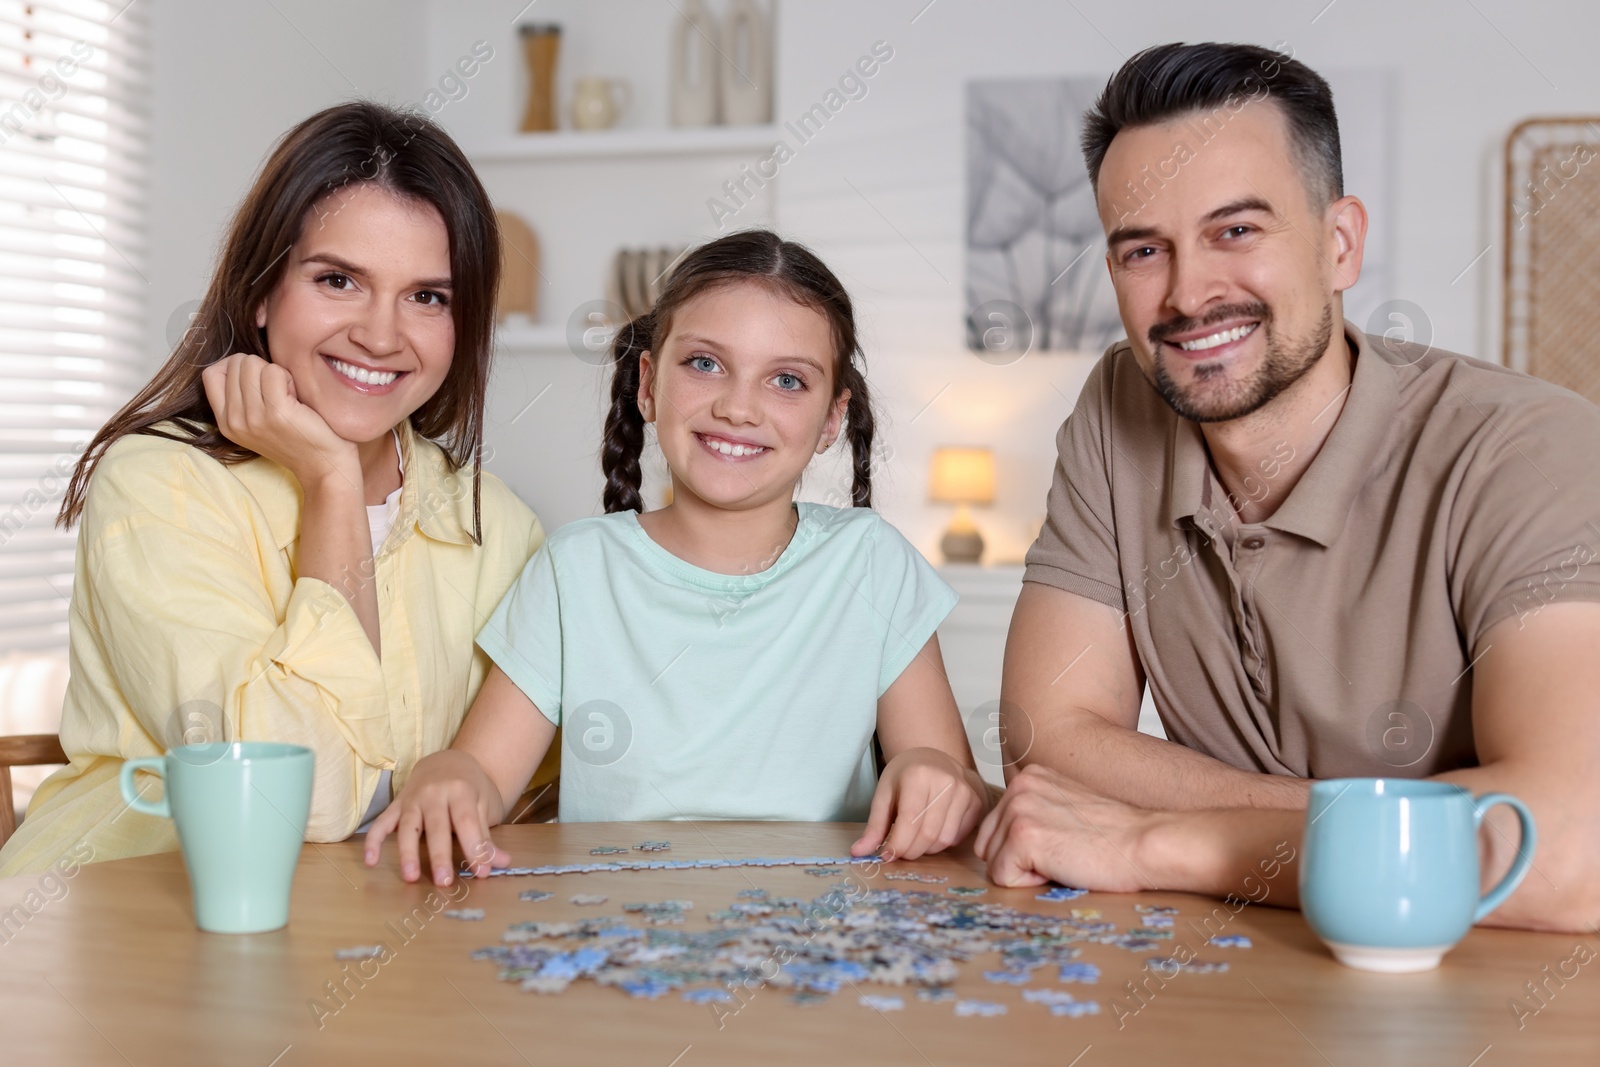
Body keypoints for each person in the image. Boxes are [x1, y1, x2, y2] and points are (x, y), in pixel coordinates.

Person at [975, 42, 1600, 932]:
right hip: (1216, 985)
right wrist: (1367, 826)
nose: (1189, 294)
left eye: (1236, 231)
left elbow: (1572, 849)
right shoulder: (1120, 409)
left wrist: (1159, 843)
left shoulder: (1529, 445)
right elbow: (1048, 749)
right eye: (1144, 249)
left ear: (1339, 243)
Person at [0, 102, 558, 877]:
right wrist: (330, 479)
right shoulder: (157, 487)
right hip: (114, 933)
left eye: (428, 296)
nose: (382, 334)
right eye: (339, 280)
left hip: (367, 952)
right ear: (261, 293)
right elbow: (297, 801)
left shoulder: (494, 523)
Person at [365, 230, 989, 887]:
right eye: (705, 364)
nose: (737, 406)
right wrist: (448, 774)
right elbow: (485, 772)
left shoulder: (872, 565)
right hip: (616, 935)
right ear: (648, 383)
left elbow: (947, 779)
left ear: (833, 419)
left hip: (818, 944)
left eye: (786, 379)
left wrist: (938, 778)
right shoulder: (576, 570)